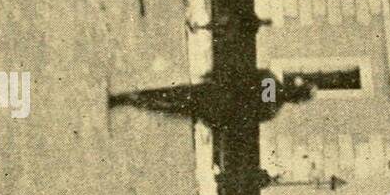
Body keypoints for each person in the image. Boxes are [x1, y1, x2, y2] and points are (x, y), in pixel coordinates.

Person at [108, 70, 313, 129]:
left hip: (215, 93)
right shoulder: (271, 111)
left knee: (173, 94)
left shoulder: (270, 80)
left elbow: (237, 75)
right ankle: (134, 102)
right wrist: (217, 121)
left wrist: (215, 77)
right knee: (173, 108)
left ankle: (130, 98)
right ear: (295, 101)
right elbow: (240, 121)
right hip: (216, 109)